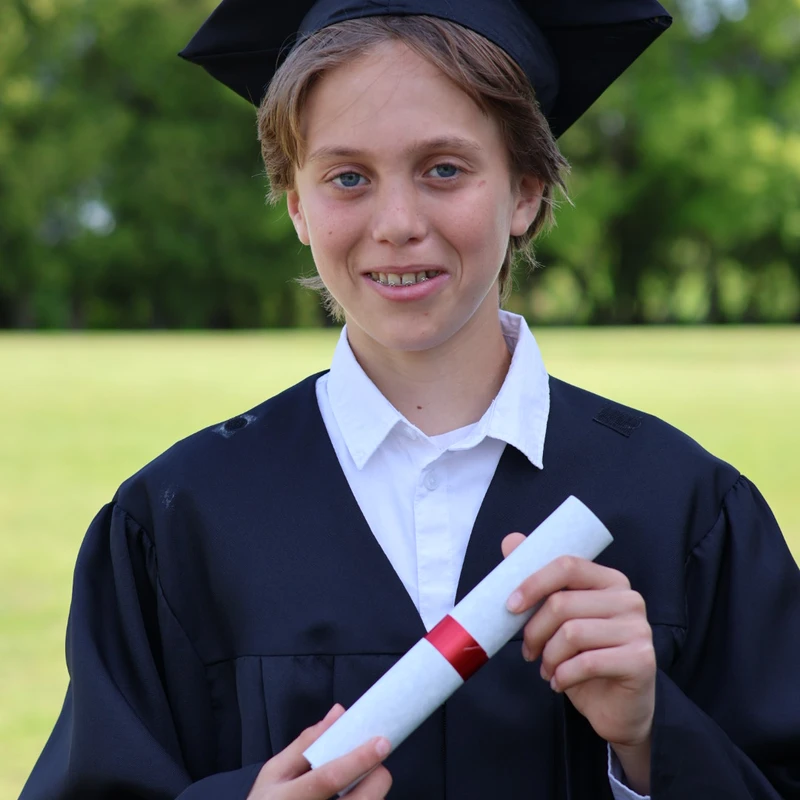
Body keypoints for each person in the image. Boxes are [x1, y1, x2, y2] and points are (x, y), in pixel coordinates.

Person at [20, 1, 800, 799]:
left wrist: (649, 737)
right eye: (348, 177)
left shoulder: (683, 511)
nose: (397, 224)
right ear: (296, 205)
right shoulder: (181, 522)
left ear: (527, 191)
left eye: (444, 170)